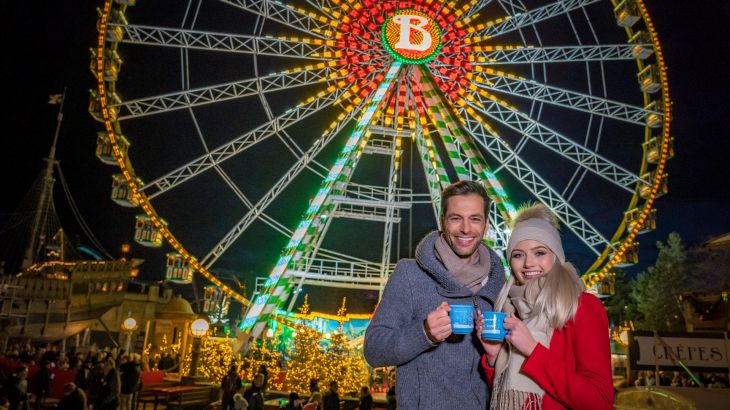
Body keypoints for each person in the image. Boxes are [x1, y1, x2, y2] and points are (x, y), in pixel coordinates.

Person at [364, 180, 505, 409]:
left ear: (486, 224)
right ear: (442, 221)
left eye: (475, 219)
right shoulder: (410, 274)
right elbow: (374, 350)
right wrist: (424, 333)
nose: (466, 229)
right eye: (456, 218)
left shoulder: (499, 284)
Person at [476, 203, 614, 409]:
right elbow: (509, 398)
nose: (528, 263)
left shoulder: (582, 306)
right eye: (518, 255)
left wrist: (532, 349)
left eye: (539, 253)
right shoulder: (510, 308)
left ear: (555, 256)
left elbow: (599, 402)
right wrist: (495, 356)